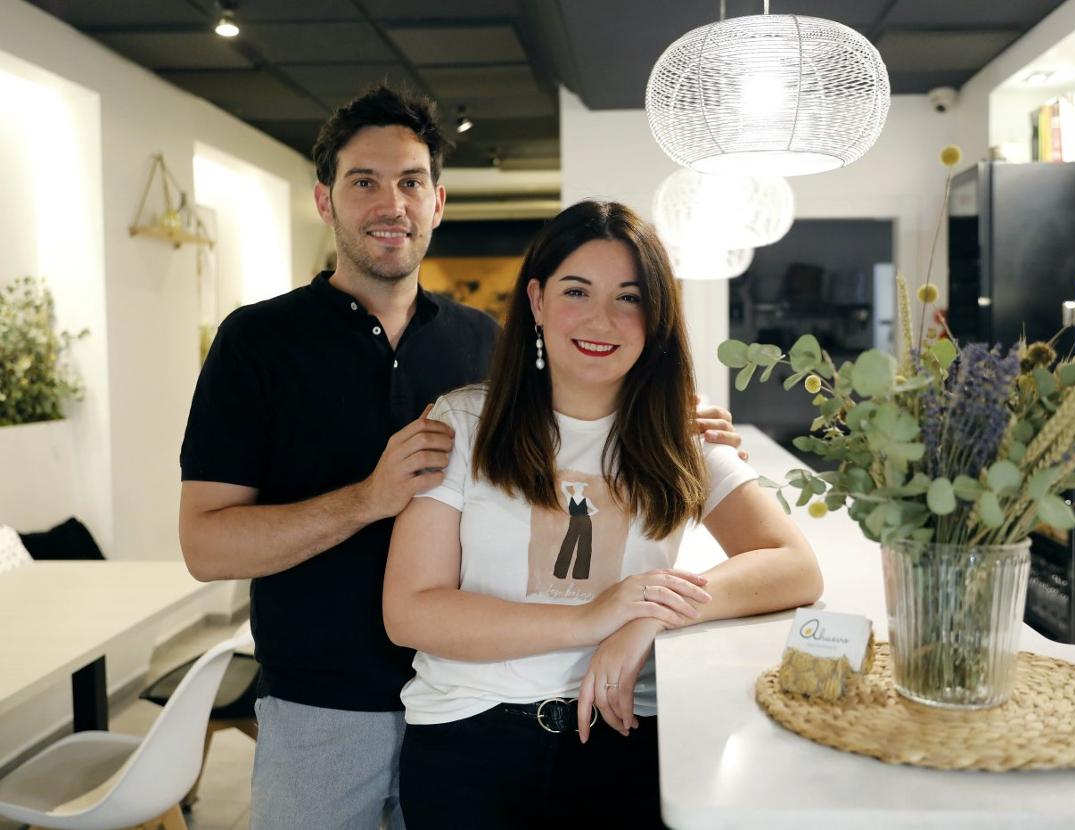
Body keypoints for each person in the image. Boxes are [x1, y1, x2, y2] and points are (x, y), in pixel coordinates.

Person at [177, 86, 743, 829]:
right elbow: (205, 545)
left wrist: (664, 413)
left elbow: (582, 401)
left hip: (473, 696)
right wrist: (366, 499)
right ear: (324, 200)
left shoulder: (486, 342)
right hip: (328, 700)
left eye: (411, 182)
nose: (392, 203)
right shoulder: (259, 342)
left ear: (437, 201)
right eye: (364, 182)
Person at [382, 200, 823, 828]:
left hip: (624, 732)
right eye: (577, 291)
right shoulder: (463, 421)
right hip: (468, 737)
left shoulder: (681, 431)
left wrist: (645, 619)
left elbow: (794, 565)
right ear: (535, 301)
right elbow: (410, 611)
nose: (602, 319)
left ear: (656, 317)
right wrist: (592, 617)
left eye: (629, 297)